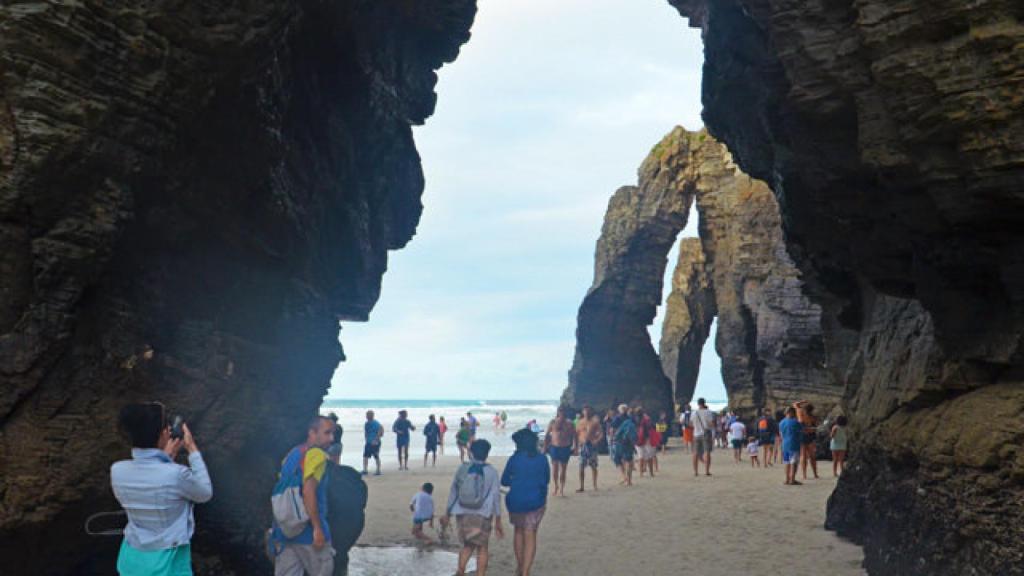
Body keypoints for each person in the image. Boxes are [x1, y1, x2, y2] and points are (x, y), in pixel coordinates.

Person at [110, 403, 212, 576]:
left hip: (132, 562)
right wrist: (192, 448)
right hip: (166, 566)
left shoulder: (117, 470)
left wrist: (164, 459)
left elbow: (152, 482)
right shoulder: (175, 474)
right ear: (164, 433)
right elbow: (204, 493)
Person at [270, 415, 336, 576]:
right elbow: (308, 491)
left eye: (332, 433)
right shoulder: (318, 456)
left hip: (284, 532)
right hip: (308, 534)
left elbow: (282, 491)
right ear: (312, 432)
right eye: (327, 433)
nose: (332, 438)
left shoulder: (292, 454)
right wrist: (317, 529)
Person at [441, 440, 504, 576]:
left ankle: (461, 570)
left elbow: (454, 491)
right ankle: (480, 574)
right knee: (482, 546)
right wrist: (498, 518)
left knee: (468, 545)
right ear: (487, 453)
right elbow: (495, 496)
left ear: (471, 452)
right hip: (483, 514)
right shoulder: (491, 472)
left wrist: (448, 512)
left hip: (462, 512)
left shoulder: (462, 468)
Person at [502, 428, 550, 576]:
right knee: (530, 534)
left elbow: (504, 480)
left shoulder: (514, 458)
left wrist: (517, 480)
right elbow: (546, 480)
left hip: (515, 500)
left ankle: (520, 565)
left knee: (518, 531)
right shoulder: (542, 459)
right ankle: (525, 571)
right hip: (535, 500)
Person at [543, 406, 575, 497]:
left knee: (563, 469)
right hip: (554, 447)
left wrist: (575, 447)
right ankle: (556, 486)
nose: (562, 413)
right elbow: (547, 435)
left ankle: (561, 488)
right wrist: (545, 447)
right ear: (558, 412)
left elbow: (574, 435)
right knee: (555, 469)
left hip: (565, 447)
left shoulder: (570, 423)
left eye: (564, 412)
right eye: (560, 412)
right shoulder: (553, 422)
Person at [574, 405, 602, 492]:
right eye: (585, 411)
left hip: (592, 446)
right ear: (583, 412)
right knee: (581, 466)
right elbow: (576, 434)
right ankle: (581, 486)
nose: (587, 412)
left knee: (593, 466)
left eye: (589, 411)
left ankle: (595, 485)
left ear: (591, 412)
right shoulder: (580, 422)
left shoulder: (595, 422)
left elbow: (601, 433)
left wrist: (596, 440)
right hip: (583, 446)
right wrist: (575, 446)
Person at [794, 400, 820, 479]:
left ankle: (804, 475)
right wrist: (810, 428)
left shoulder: (799, 412)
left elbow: (795, 404)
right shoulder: (813, 417)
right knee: (812, 456)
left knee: (803, 456)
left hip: (802, 436)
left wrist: (803, 401)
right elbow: (815, 427)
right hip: (810, 436)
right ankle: (815, 474)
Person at [611, 404, 637, 486]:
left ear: (619, 410)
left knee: (617, 459)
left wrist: (612, 438)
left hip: (619, 441)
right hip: (629, 442)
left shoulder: (617, 418)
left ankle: (624, 476)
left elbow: (612, 429)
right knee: (628, 460)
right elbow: (636, 428)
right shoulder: (631, 418)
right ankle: (629, 481)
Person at [779, 406, 804, 485]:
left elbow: (781, 434)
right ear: (792, 413)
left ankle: (787, 479)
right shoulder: (795, 422)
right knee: (794, 462)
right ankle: (792, 479)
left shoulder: (781, 422)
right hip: (794, 444)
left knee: (787, 462)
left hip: (785, 444)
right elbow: (801, 429)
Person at [691, 398, 714, 477]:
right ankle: (707, 471)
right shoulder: (708, 412)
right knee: (707, 452)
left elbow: (691, 424)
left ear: (698, 404)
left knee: (695, 453)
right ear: (704, 403)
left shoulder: (694, 413)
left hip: (696, 434)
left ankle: (695, 472)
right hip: (706, 433)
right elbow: (711, 424)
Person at [362, 410, 383, 476]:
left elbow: (381, 430)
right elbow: (366, 432)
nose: (367, 416)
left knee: (376, 456)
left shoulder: (376, 423)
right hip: (368, 442)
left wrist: (376, 439)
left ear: (372, 415)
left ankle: (378, 470)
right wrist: (366, 438)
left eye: (368, 415)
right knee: (365, 456)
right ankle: (365, 470)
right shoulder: (366, 423)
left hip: (375, 442)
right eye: (367, 415)